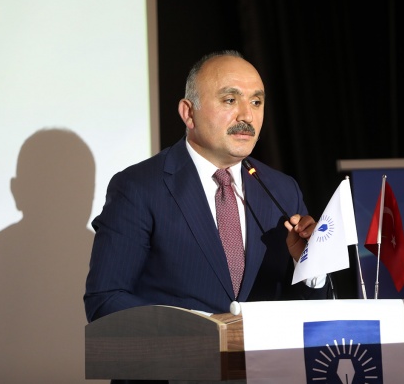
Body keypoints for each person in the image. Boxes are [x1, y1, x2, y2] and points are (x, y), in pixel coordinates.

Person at [84, 50, 330, 383]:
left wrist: (311, 266)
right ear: (189, 113)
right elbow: (106, 300)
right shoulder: (139, 187)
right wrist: (200, 334)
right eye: (230, 100)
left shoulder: (282, 190)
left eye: (256, 102)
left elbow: (310, 310)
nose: (247, 115)